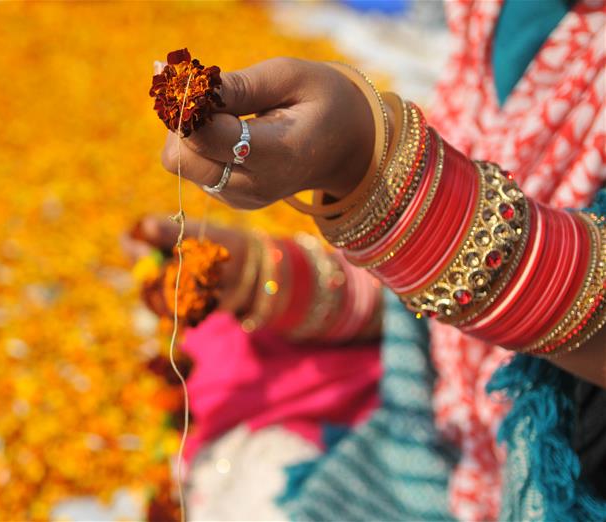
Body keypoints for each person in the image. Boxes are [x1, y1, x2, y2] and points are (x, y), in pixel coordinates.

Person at [129, 0, 606, 519]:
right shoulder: (491, 14)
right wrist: (258, 275)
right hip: (430, 453)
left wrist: (369, 166)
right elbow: (422, 307)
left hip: (557, 481)